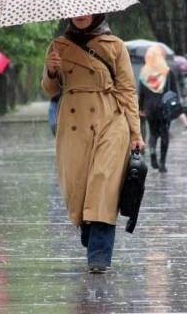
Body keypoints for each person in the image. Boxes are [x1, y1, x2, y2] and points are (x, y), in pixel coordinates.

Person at [41, 14, 144, 274]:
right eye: (75, 11)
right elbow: (50, 89)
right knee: (79, 185)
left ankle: (98, 254)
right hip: (73, 123)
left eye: (86, 10)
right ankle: (90, 229)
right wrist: (52, 69)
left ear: (98, 12)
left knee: (103, 184)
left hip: (109, 119)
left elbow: (127, 90)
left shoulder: (115, 45)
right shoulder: (58, 45)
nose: (80, 16)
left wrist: (135, 132)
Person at [137, 45, 180, 173]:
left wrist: (141, 108)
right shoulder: (167, 71)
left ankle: (152, 154)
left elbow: (141, 92)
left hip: (150, 108)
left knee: (153, 133)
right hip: (164, 107)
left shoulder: (144, 72)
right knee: (164, 133)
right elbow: (173, 91)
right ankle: (162, 163)